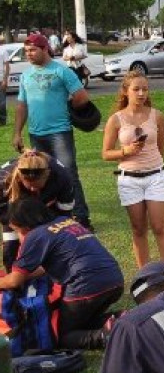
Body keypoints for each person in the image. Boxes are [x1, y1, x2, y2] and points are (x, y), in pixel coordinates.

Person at [0, 198, 123, 349]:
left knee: (61, 335)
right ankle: (121, 319)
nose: (19, 235)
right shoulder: (65, 221)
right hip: (115, 280)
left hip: (87, 287)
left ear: (25, 225)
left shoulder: (36, 235)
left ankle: (105, 337)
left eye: (18, 230)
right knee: (81, 321)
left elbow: (14, 281)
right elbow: (42, 269)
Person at [13, 33, 93, 230]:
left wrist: (68, 110)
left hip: (60, 132)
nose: (29, 54)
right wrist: (17, 132)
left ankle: (81, 217)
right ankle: (47, 215)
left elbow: (81, 96)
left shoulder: (61, 71)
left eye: (33, 50)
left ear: (45, 49)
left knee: (68, 173)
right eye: (26, 51)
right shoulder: (26, 75)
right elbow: (22, 105)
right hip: (36, 133)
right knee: (40, 174)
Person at [101, 71, 164, 268]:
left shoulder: (157, 116)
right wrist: (126, 151)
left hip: (156, 176)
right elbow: (106, 153)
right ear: (126, 92)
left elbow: (161, 148)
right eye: (136, 89)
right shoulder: (116, 120)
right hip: (129, 179)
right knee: (139, 229)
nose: (141, 93)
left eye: (145, 89)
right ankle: (146, 274)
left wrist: (150, 163)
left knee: (159, 227)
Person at [0, 150, 75, 270]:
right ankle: (15, 281)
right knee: (10, 249)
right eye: (29, 185)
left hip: (47, 208)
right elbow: (2, 212)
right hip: (13, 209)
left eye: (37, 185)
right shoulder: (3, 180)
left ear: (48, 175)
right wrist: (18, 228)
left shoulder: (62, 177)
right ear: (20, 178)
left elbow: (65, 214)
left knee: (52, 244)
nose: (33, 189)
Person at [1, 43, 10, 126]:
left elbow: (7, 66)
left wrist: (5, 79)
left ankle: (3, 121)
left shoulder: (3, 51)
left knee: (2, 102)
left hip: (1, 80)